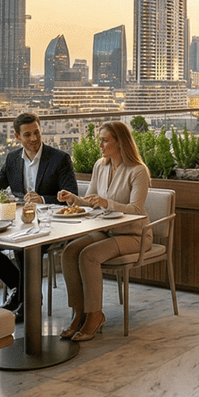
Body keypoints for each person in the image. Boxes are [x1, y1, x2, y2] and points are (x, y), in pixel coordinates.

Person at [56, 121, 152, 341]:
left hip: (134, 234)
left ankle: (95, 315)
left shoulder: (138, 171)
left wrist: (107, 203)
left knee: (89, 255)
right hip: (107, 230)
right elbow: (91, 201)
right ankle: (78, 313)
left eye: (104, 140)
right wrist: (73, 198)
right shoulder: (100, 165)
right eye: (100, 140)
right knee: (70, 252)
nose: (100, 144)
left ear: (120, 142)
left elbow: (137, 210)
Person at [0, 112, 78, 205]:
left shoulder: (60, 159)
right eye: (27, 135)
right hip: (19, 213)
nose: (34, 138)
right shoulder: (12, 158)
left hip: (49, 214)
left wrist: (42, 200)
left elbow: (72, 196)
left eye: (36, 132)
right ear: (17, 136)